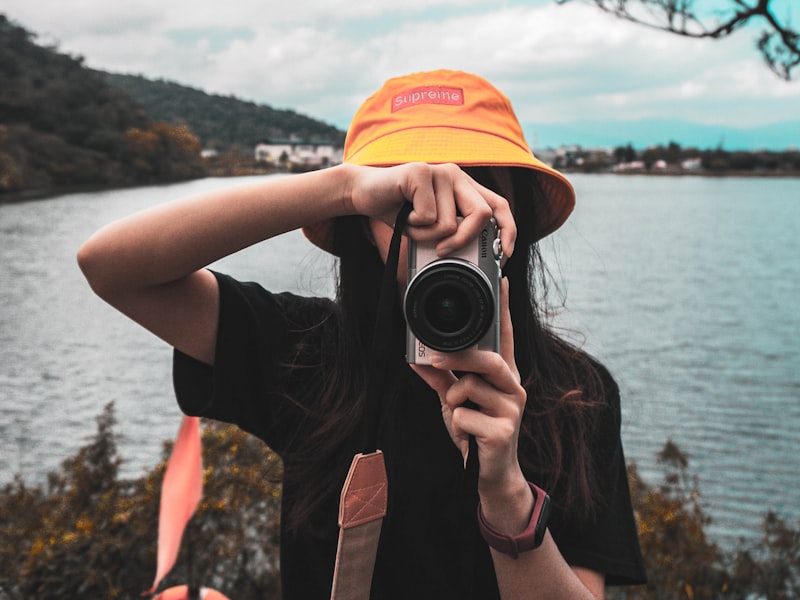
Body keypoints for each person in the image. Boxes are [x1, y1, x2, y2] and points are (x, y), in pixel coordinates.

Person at [78, 69, 646, 599]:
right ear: (363, 227)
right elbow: (109, 265)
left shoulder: (580, 394)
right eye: (406, 200)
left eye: (476, 189)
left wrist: (507, 497)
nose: (447, 221)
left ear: (513, 211)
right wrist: (346, 188)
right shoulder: (307, 352)